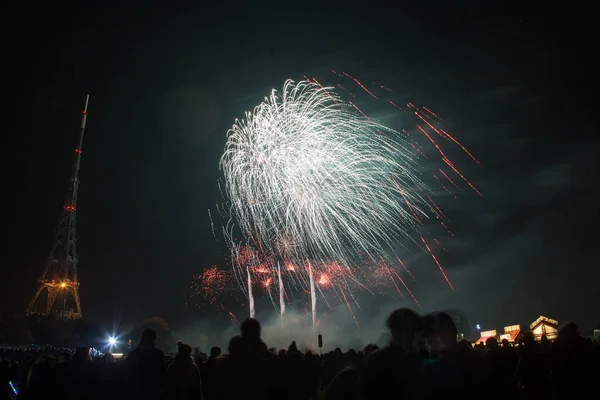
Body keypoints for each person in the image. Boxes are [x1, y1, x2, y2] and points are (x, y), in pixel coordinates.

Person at [126, 328, 167, 400]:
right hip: (153, 389)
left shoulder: (133, 354)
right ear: (154, 339)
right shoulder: (158, 354)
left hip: (137, 389)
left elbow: (127, 372)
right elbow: (162, 372)